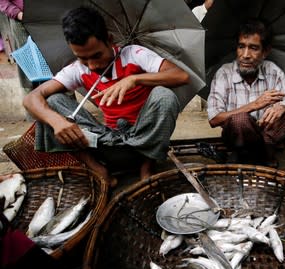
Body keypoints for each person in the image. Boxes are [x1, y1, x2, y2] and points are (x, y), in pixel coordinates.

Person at [23, 6, 190, 186]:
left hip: (144, 144)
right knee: (51, 103)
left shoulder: (134, 54)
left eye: (97, 55)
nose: (92, 65)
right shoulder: (77, 70)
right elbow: (31, 98)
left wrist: (135, 79)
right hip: (106, 143)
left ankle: (146, 167)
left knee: (164, 95)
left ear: (109, 40)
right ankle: (96, 168)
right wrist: (57, 122)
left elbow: (181, 76)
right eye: (83, 58)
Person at [207, 19, 285, 167]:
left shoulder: (274, 71)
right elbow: (214, 119)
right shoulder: (224, 73)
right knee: (241, 120)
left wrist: (281, 108)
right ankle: (264, 154)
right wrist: (255, 105)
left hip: (266, 133)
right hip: (235, 136)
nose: (245, 55)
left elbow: (283, 102)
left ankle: (256, 153)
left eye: (253, 48)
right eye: (241, 47)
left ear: (265, 52)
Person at [0, 0, 31, 89]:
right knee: (26, 58)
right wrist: (19, 14)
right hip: (20, 19)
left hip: (45, 17)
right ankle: (30, 92)